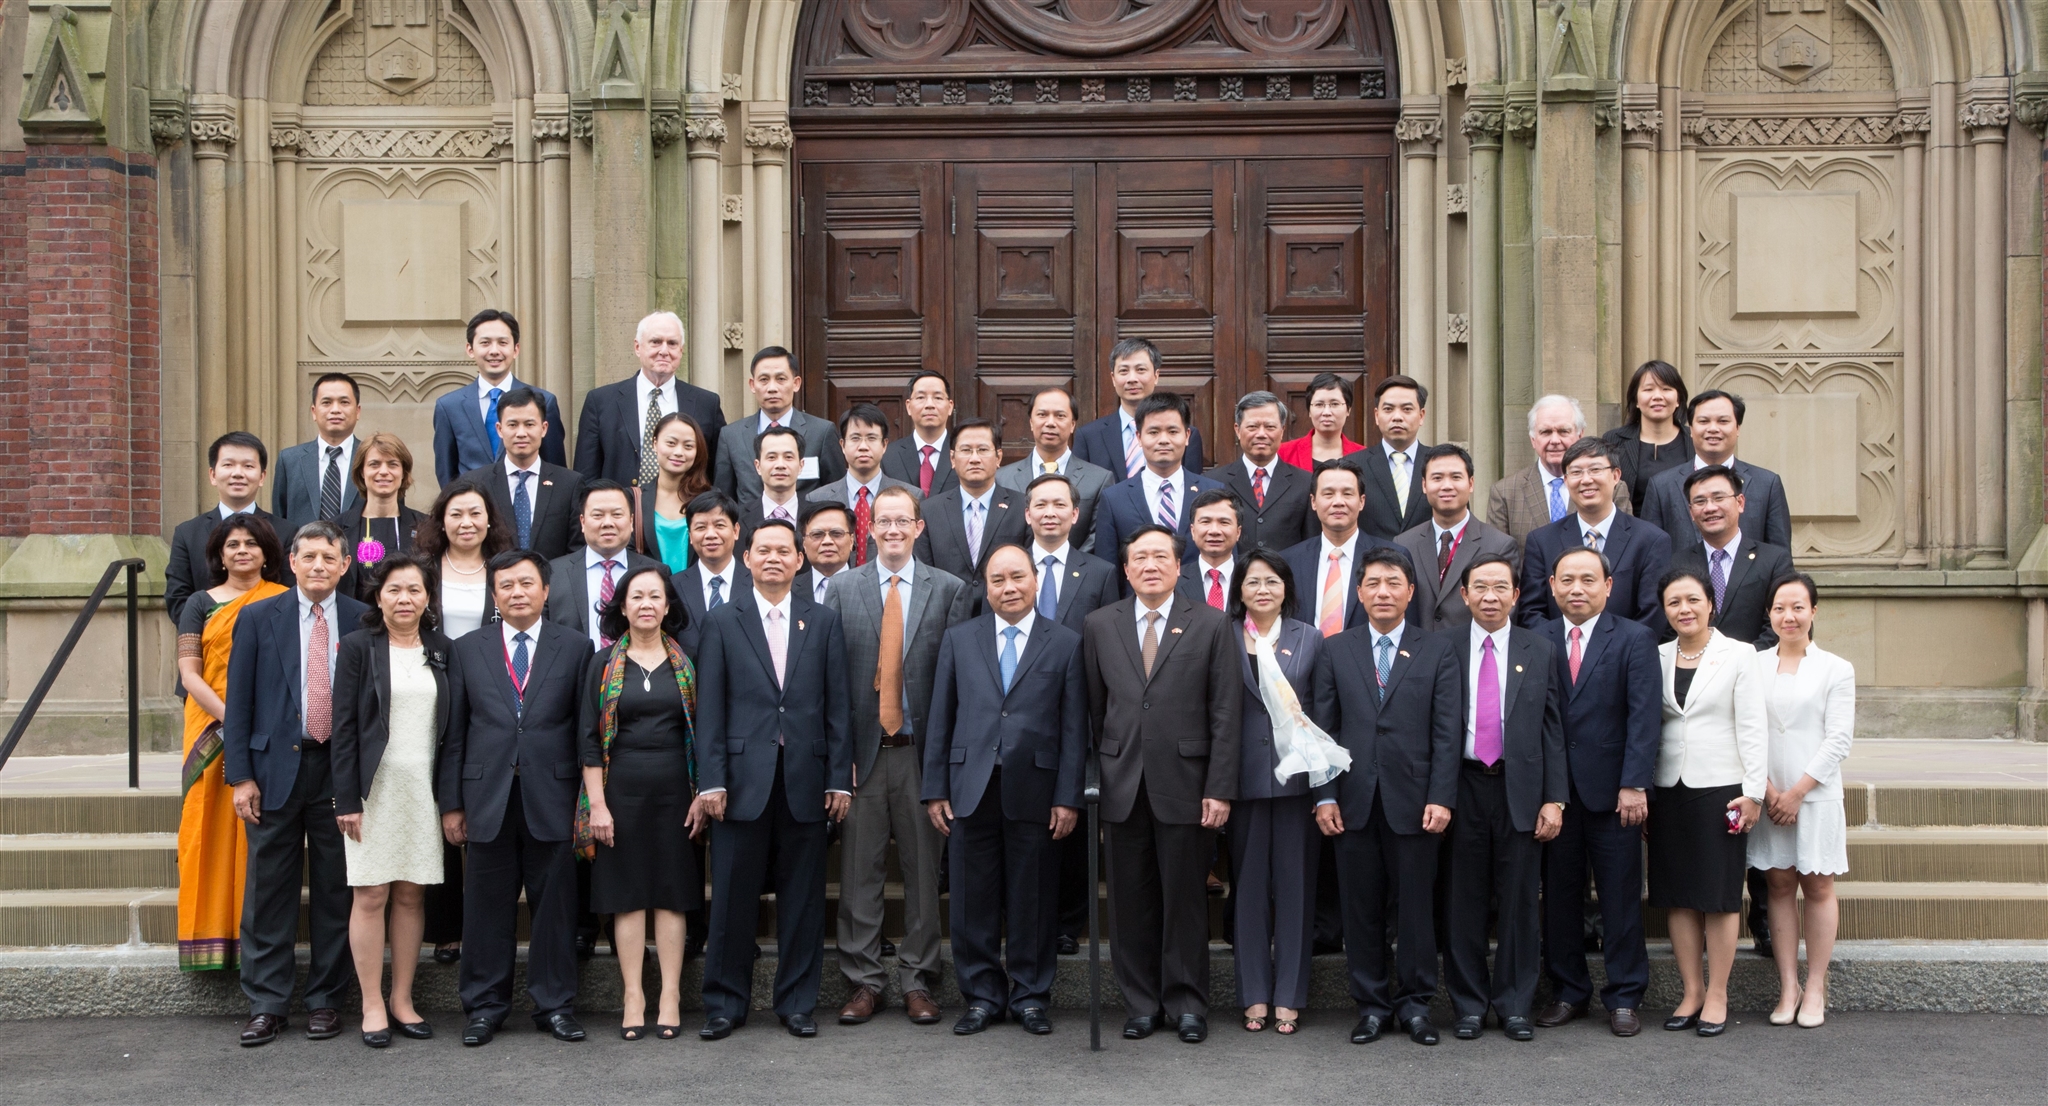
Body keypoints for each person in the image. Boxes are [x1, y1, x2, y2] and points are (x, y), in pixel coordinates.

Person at [693, 520, 853, 1040]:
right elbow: (710, 708)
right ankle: (725, 1003)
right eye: (763, 550)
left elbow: (837, 706)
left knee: (803, 900)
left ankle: (797, 1002)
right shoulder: (722, 620)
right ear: (747, 558)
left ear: (799, 560)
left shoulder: (822, 621)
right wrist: (711, 780)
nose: (774, 559)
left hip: (806, 779)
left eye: (784, 551)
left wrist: (839, 779)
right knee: (732, 899)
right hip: (740, 783)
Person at [1082, 525, 1241, 1044]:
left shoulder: (1211, 623)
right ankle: (1141, 1002)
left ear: (1178, 566)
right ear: (1126, 569)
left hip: (1188, 783)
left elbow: (1225, 712)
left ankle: (1188, 1003)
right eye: (1140, 558)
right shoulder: (1100, 624)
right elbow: (1095, 709)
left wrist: (1219, 787)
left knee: (1185, 899)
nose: (1150, 565)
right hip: (1122, 782)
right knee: (1130, 902)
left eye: (1160, 557)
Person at [922, 543, 1088, 1035]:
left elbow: (1074, 728)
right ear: (986, 588)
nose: (1009, 588)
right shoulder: (960, 639)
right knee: (971, 897)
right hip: (970, 785)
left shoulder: (1066, 642)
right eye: (998, 580)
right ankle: (981, 996)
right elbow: (941, 717)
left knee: (1032, 895)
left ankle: (1031, 996)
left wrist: (1068, 796)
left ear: (1035, 580)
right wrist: (935, 787)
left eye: (1018, 577)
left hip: (1036, 787)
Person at [826, 485, 974, 1026]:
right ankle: (864, 981)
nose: (892, 530)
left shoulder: (949, 589)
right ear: (870, 529)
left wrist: (946, 766)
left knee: (922, 874)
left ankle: (918, 980)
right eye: (883, 521)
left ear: (918, 527)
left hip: (920, 755)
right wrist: (838, 759)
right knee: (858, 875)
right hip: (862, 757)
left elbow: (957, 683)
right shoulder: (842, 588)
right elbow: (831, 681)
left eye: (902, 521)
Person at [439, 550, 596, 1046]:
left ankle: (555, 1005)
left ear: (546, 590)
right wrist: (452, 804)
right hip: (487, 796)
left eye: (526, 583)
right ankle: (485, 1007)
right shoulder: (467, 648)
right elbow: (455, 734)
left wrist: (588, 801)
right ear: (494, 595)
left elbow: (585, 731)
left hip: (554, 794)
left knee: (555, 909)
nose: (517, 593)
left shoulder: (576, 647)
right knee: (486, 908)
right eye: (505, 585)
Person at [221, 520, 369, 1047]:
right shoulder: (259, 616)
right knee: (268, 891)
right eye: (308, 557)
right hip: (273, 771)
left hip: (339, 770)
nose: (318, 566)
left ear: (345, 564)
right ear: (291, 562)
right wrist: (240, 776)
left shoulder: (363, 618)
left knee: (336, 888)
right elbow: (239, 702)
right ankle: (267, 1003)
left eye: (329, 558)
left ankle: (326, 999)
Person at [1308, 547, 1461, 1047]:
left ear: (1410, 591)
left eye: (1393, 583)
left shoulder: (1436, 649)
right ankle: (1371, 1006)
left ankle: (1416, 1006)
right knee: (1361, 909)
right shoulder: (1335, 649)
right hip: (1352, 800)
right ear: (1358, 592)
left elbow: (1446, 731)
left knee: (1415, 909)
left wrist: (1442, 796)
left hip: (1416, 801)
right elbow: (1323, 730)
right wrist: (1324, 795)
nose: (1383, 592)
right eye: (1373, 583)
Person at [1533, 547, 1662, 1038]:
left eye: (1588, 579)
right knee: (1559, 898)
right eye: (1567, 579)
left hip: (1614, 794)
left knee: (1620, 898)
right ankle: (1568, 991)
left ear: (1608, 586)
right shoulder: (1537, 639)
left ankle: (1625, 995)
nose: (1577, 588)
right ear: (1551, 585)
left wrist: (1634, 783)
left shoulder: (1634, 637)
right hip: (1555, 795)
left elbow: (1644, 716)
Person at [1442, 554, 1566, 1041]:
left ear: (1516, 595)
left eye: (1500, 587)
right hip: (1462, 785)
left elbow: (1553, 729)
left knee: (1519, 902)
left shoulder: (1541, 648)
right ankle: (1469, 1005)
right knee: (1463, 901)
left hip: (1521, 789)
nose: (1489, 596)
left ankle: (1515, 1004)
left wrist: (1554, 798)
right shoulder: (1443, 647)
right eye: (1480, 587)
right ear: (1464, 594)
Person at [331, 555, 452, 1047]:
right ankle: (372, 1003)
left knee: (410, 894)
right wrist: (346, 799)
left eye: (414, 590)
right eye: (394, 590)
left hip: (423, 788)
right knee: (371, 893)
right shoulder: (358, 647)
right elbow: (343, 727)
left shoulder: (442, 649)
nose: (405, 599)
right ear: (378, 596)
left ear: (427, 598)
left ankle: (402, 998)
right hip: (373, 789)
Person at [578, 564, 702, 1040]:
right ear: (623, 607)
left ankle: (670, 994)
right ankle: (633, 995)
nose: (646, 604)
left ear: (667, 607)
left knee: (672, 894)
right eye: (636, 597)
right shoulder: (602, 664)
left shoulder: (688, 663)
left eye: (655, 596)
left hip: (677, 794)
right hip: (619, 794)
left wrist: (701, 794)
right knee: (625, 897)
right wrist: (597, 805)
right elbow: (589, 740)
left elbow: (704, 733)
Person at [1651, 569, 1767, 1037]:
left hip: (1722, 787)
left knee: (1718, 894)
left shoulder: (1738, 654)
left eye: (1693, 600)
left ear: (1710, 603)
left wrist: (1754, 793)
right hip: (1668, 787)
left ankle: (1718, 993)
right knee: (1677, 894)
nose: (1684, 609)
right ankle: (1692, 991)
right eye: (1674, 602)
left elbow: (1753, 725)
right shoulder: (1656, 655)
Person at [174, 514, 288, 972]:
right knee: (205, 827)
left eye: (251, 543)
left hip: (270, 728)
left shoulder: (284, 599)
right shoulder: (199, 603)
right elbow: (190, 674)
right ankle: (208, 938)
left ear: (267, 553)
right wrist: (235, 720)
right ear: (219, 555)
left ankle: (253, 942)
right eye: (233, 544)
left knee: (256, 832)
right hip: (211, 727)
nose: (242, 551)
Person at [1020, 472, 1123, 953]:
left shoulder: (1099, 572)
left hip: (1078, 713)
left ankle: (1067, 923)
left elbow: (1111, 644)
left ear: (1076, 514)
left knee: (1073, 820)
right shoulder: (1010, 565)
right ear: (1027, 514)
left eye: (1059, 504)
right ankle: (1025, 917)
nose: (1050, 513)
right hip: (1019, 716)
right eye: (1040, 504)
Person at [1225, 549, 1323, 1036]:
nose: (1262, 590)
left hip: (1296, 781)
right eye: (1252, 582)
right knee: (1247, 891)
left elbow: (1322, 708)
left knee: (1294, 890)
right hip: (1239, 780)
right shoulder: (1222, 636)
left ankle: (1289, 995)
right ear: (1239, 590)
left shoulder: (1311, 638)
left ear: (1287, 589)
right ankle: (1254, 994)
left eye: (1272, 582)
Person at [1751, 573, 1855, 1029]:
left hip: (1815, 796)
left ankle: (1815, 986)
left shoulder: (1836, 668)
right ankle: (1788, 985)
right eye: (1779, 608)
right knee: (1777, 885)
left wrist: (1796, 793)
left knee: (1817, 886)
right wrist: (1770, 791)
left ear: (1813, 611)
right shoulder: (1753, 665)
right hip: (1768, 796)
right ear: (1769, 614)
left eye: (1797, 607)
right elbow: (1745, 731)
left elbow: (1839, 739)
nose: (1788, 616)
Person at [1516, 438, 1670, 628]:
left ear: (1616, 475)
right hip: (1558, 647)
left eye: (1595, 470)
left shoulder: (1650, 540)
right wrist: (1569, 644)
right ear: (1566, 480)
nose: (1586, 480)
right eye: (1576, 472)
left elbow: (1652, 614)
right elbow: (1531, 612)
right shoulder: (1542, 541)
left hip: (1628, 647)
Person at [573, 310, 727, 489]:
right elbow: (586, 475)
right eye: (656, 342)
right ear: (638, 347)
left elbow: (718, 474)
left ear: (681, 350)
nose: (664, 351)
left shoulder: (706, 403)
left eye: (672, 343)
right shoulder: (601, 401)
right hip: (620, 505)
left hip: (686, 504)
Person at [1639, 390, 1792, 550]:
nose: (1713, 428)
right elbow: (1650, 552)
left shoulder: (1767, 484)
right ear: (1691, 429)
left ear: (1738, 428)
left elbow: (1780, 555)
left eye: (1723, 421)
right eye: (1704, 421)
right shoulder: (1661, 486)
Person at [1664, 465, 1796, 648]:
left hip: (1757, 662)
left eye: (1719, 498)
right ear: (1691, 512)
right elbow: (1669, 628)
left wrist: (1744, 660)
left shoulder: (1774, 560)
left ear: (1740, 502)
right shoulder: (1676, 564)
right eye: (1700, 501)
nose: (1710, 508)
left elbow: (1780, 623)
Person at [433, 308, 567, 485]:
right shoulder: (449, 406)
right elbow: (446, 474)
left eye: (503, 343)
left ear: (516, 349)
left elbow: (555, 470)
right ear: (470, 349)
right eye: (485, 343)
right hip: (473, 500)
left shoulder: (544, 401)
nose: (494, 351)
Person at [1395, 444, 1518, 634]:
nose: (1446, 486)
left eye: (1456, 477)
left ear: (1471, 483)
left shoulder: (1499, 545)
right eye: (1437, 478)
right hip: (1416, 649)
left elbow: (1506, 611)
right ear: (1424, 485)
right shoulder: (1404, 544)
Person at [1091, 394, 1226, 566]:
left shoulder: (1213, 493)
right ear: (1139, 437)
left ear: (1187, 436)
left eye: (1173, 432)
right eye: (1153, 432)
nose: (1163, 440)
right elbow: (1107, 568)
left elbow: (1227, 558)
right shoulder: (1114, 499)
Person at [1488, 396, 1631, 555]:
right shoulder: (1505, 493)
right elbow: (1498, 559)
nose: (1555, 440)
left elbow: (1624, 549)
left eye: (1564, 431)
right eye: (1546, 432)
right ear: (1533, 439)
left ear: (1580, 435)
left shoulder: (1612, 487)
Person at [167, 431, 282, 624]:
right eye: (228, 465)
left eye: (248, 466)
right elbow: (177, 599)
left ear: (262, 477)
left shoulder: (285, 532)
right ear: (212, 475)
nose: (238, 473)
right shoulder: (187, 534)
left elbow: (289, 599)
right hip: (206, 639)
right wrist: (215, 631)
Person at [461, 387, 586, 560]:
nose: (521, 433)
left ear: (544, 428)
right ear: (499, 429)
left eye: (529, 424)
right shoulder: (476, 482)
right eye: (512, 425)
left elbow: (577, 550)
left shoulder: (569, 484)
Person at [712, 347, 846, 508]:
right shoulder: (731, 435)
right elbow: (723, 498)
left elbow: (836, 491)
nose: (772, 388)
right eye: (764, 379)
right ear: (752, 385)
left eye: (781, 379)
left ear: (796, 383)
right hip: (749, 523)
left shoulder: (821, 432)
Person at [546, 480, 670, 651]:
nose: (607, 523)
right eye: (598, 515)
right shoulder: (553, 573)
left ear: (631, 521)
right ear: (582, 522)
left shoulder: (656, 572)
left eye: (617, 514)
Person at [1281, 463, 1401, 635]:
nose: (1338, 502)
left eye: (1347, 493)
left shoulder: (1393, 557)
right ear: (1313, 502)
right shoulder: (1290, 561)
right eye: (1328, 494)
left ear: (1362, 501)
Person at [995, 387, 1116, 552]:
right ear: (1031, 422)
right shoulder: (1002, 478)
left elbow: (1098, 535)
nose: (1050, 423)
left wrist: (1068, 562)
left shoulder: (1099, 479)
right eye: (1042, 415)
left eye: (1060, 416)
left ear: (1072, 424)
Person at [1073, 337, 1208, 477]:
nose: (1132, 379)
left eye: (1141, 369)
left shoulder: (1186, 435)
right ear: (1113, 378)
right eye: (1124, 371)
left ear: (1156, 376)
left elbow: (1193, 485)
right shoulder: (1089, 436)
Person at [806, 404, 920, 566]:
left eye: (871, 438)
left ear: (884, 445)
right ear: (842, 445)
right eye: (855, 438)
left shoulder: (911, 496)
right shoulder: (817, 498)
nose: (863, 447)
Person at [914, 419, 1030, 579]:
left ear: (998, 457)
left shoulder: (1022, 507)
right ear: (952, 459)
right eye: (966, 450)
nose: (974, 458)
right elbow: (924, 573)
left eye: (983, 450)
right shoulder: (929, 511)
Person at [414, 479, 515, 642]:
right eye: (456, 515)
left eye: (475, 514)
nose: (467, 523)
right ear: (442, 521)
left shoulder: (506, 570)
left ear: (489, 519)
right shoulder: (423, 568)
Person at [1214, 392, 1314, 555]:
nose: (1261, 434)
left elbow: (1312, 543)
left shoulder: (1305, 482)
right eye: (1252, 427)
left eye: (1270, 427)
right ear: (1237, 430)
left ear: (1282, 430)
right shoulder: (1214, 482)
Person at [336, 433, 426, 603]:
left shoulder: (425, 526)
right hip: (356, 618)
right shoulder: (337, 529)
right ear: (362, 472)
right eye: (374, 464)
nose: (383, 471)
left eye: (392, 464)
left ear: (403, 472)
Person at [272, 373, 364, 533]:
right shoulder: (289, 460)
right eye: (326, 402)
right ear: (314, 412)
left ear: (357, 411)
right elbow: (280, 521)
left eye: (344, 402)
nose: (335, 410)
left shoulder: (373, 458)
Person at [1347, 375, 1432, 540]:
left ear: (1421, 415)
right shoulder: (1352, 465)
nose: (1397, 417)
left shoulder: (1439, 463)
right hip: (1371, 555)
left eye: (1407, 409)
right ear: (1376, 416)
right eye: (1388, 409)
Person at [1602, 360, 1692, 509]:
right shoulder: (1613, 440)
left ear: (1678, 399)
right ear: (1636, 400)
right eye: (1648, 389)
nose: (1657, 396)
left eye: (1666, 389)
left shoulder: (1695, 440)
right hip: (1630, 523)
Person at [671, 490, 750, 657]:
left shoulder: (757, 584)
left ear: (736, 531)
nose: (711, 535)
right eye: (701, 527)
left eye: (719, 525)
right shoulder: (674, 587)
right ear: (690, 536)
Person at [637, 412, 714, 574]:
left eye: (688, 446)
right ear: (654, 443)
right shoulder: (635, 499)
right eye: (671, 443)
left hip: (697, 587)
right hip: (651, 588)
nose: (679, 452)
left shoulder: (711, 499)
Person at [883, 371, 958, 496]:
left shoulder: (963, 453)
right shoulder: (888, 455)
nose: (929, 405)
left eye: (938, 398)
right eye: (921, 397)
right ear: (908, 406)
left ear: (950, 407)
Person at [1277, 372, 1366, 470]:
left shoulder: (1364, 456)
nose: (1326, 412)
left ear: (1348, 410)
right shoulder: (1282, 453)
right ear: (1309, 411)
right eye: (1319, 404)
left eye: (1334, 404)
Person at [1177, 489, 1243, 610]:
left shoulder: (1250, 577)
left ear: (1238, 532)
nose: (1214, 531)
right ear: (1193, 531)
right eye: (1206, 522)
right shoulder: (1174, 579)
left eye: (1224, 522)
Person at [741, 425, 810, 538]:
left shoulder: (816, 517)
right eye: (772, 457)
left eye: (788, 457)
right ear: (758, 466)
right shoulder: (737, 518)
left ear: (801, 465)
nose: (780, 465)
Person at [796, 502, 855, 605]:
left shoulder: (870, 588)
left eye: (836, 534)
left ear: (851, 541)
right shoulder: (787, 590)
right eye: (817, 534)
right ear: (804, 543)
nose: (827, 541)